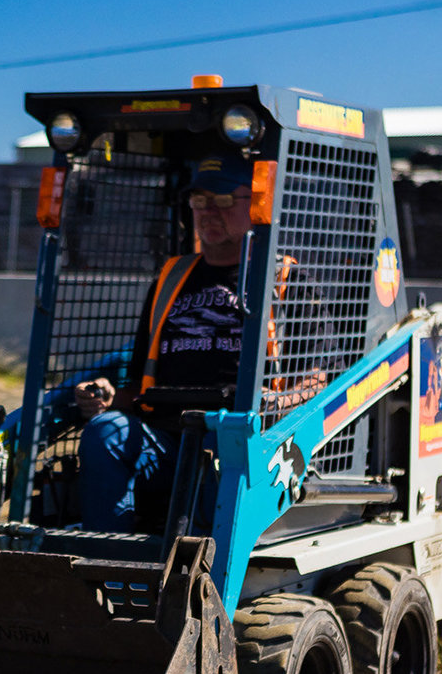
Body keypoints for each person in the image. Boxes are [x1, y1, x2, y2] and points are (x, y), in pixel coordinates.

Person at [73, 155, 322, 532]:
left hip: (244, 437)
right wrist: (111, 398)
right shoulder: (171, 278)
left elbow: (318, 380)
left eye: (223, 200)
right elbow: (141, 385)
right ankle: (108, 554)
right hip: (167, 439)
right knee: (104, 430)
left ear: (255, 204)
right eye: (200, 200)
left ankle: (203, 568)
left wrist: (273, 405)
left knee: (229, 455)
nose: (208, 211)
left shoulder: (285, 278)